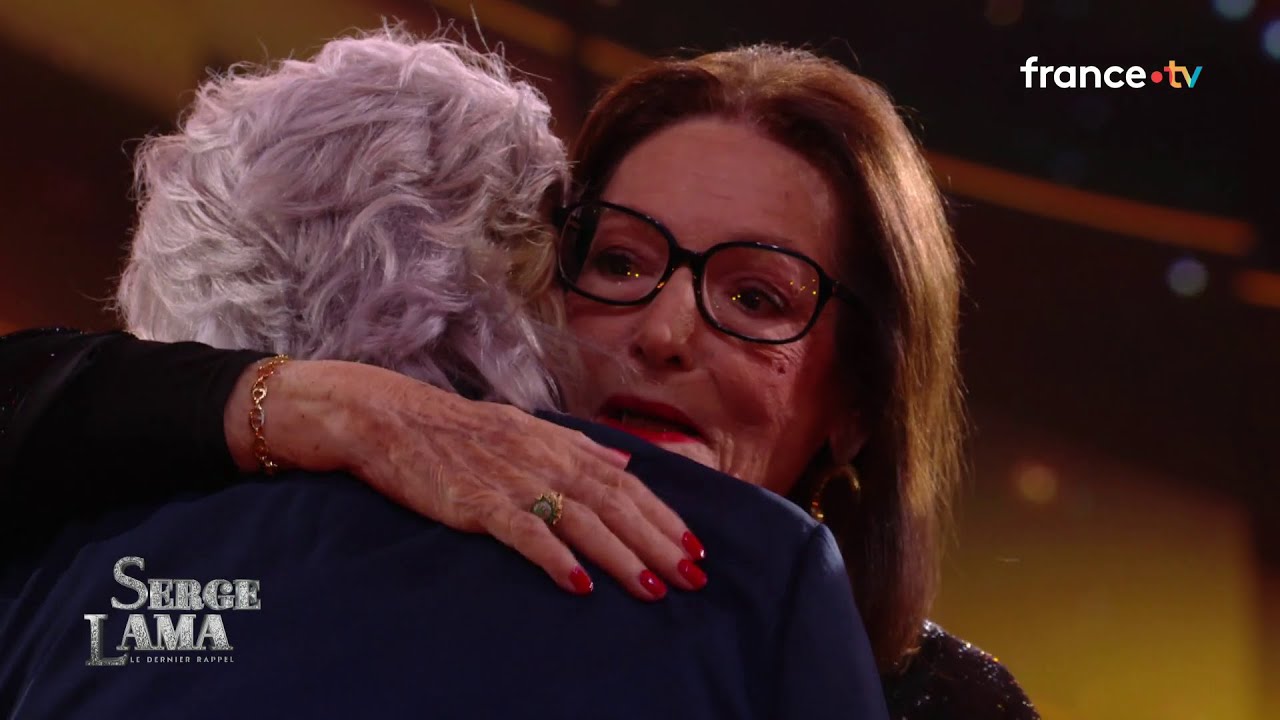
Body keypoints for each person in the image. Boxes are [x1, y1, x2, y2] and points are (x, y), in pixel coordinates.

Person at [0, 38, 1038, 719]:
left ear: (856, 407)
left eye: (757, 296)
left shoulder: (935, 695)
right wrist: (317, 402)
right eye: (618, 262)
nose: (664, 333)